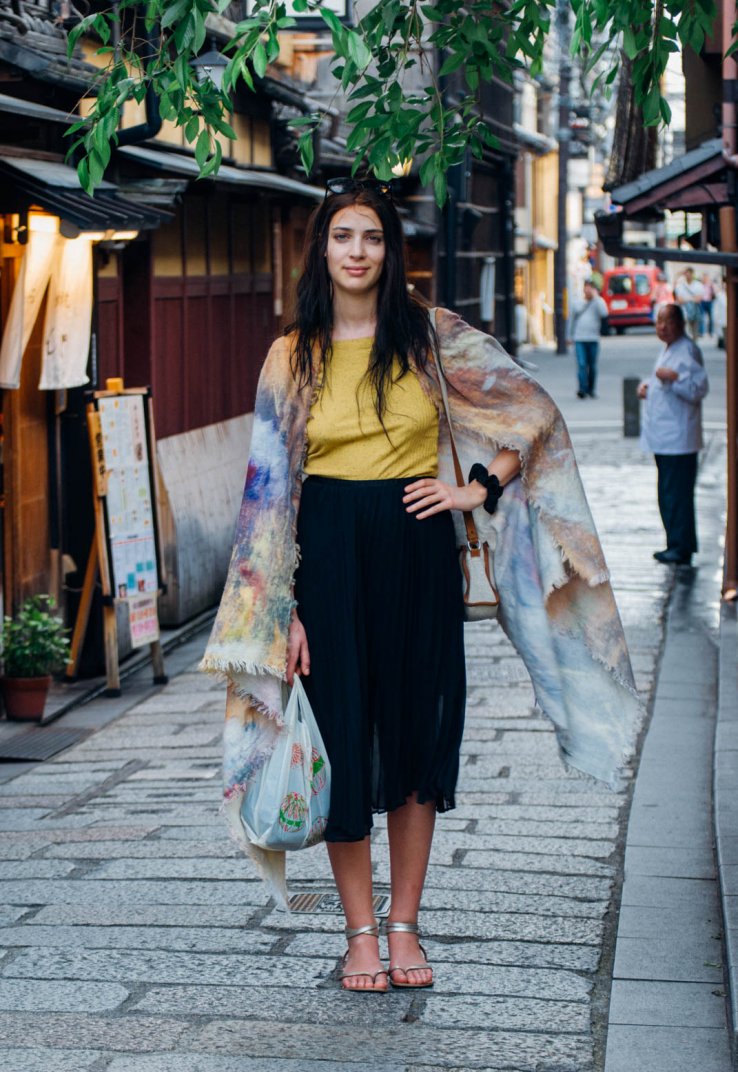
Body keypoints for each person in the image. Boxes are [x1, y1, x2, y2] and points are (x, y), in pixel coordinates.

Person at [201, 177, 641, 997]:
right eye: (342, 238)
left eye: (371, 237)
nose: (357, 252)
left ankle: (406, 925)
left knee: (416, 737)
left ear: (390, 248)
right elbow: (267, 494)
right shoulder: (292, 353)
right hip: (326, 560)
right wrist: (280, 611)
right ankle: (359, 935)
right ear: (322, 250)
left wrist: (478, 487)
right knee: (342, 743)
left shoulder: (431, 337)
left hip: (416, 552)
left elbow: (532, 412)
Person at [637, 303, 709, 565]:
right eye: (659, 322)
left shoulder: (687, 350)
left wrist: (673, 378)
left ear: (680, 324)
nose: (662, 327)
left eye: (668, 322)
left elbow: (697, 389)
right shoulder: (669, 349)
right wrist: (649, 386)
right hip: (666, 437)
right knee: (668, 493)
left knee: (676, 494)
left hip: (678, 438)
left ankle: (680, 546)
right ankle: (675, 542)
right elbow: (663, 382)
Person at [569, 279, 608, 398]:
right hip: (579, 338)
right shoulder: (577, 303)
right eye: (586, 287)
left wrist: (596, 298)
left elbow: (604, 313)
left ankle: (591, 389)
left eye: (590, 287)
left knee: (592, 365)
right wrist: (569, 336)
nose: (588, 290)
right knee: (581, 364)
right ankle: (582, 389)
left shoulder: (598, 302)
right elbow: (572, 320)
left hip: (593, 338)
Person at [674, 267, 703, 340]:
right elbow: (680, 300)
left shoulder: (698, 285)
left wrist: (686, 299)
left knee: (695, 330)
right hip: (684, 311)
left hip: (695, 311)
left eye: (689, 274)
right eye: (686, 274)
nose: (688, 276)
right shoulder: (681, 286)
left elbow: (698, 299)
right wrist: (692, 298)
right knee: (686, 330)